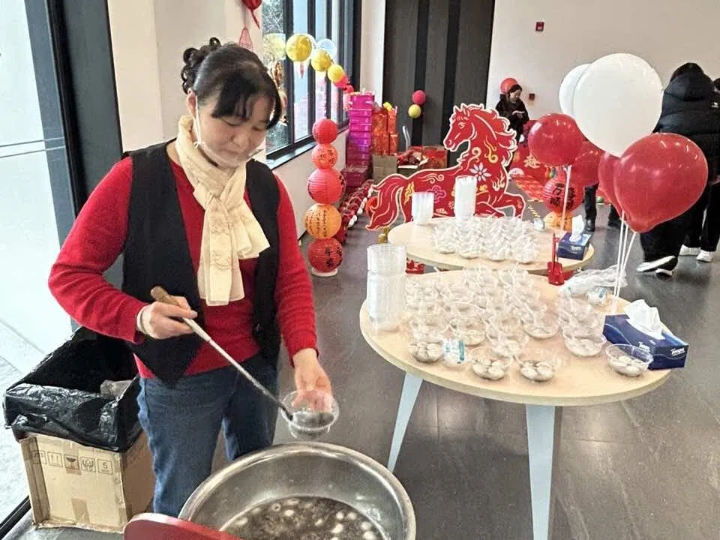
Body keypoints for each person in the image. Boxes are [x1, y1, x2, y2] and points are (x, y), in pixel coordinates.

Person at [48, 38, 332, 517]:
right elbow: (69, 276)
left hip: (256, 364)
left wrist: (304, 354)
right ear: (193, 104)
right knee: (182, 500)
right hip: (177, 377)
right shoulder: (138, 179)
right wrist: (139, 317)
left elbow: (288, 277)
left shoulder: (264, 186)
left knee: (255, 486)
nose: (244, 142)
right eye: (231, 122)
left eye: (259, 127)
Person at [638, 63, 720, 278]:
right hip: (702, 169)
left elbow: (650, 129)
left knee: (655, 209)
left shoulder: (664, 98)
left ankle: (655, 255)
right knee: (684, 213)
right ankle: (669, 260)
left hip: (668, 165)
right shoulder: (715, 100)